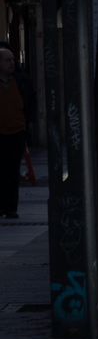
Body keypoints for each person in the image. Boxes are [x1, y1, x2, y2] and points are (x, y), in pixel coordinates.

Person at [0, 47, 29, 219]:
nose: (11, 63)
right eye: (7, 60)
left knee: (12, 170)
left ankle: (11, 207)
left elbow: (28, 103)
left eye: (12, 59)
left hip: (16, 132)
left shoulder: (20, 82)